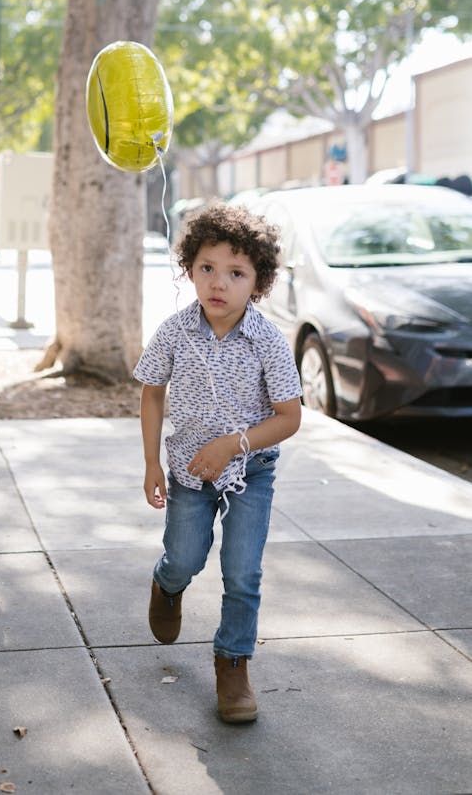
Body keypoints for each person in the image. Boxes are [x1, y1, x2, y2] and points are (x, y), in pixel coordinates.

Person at [134, 201, 302, 724]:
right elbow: (152, 393)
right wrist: (151, 464)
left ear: (259, 282)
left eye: (236, 273)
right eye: (207, 268)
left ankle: (233, 665)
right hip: (187, 470)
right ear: (189, 269)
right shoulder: (173, 332)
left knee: (242, 572)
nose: (219, 283)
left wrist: (234, 444)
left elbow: (289, 417)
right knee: (186, 556)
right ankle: (168, 583)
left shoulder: (268, 341)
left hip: (250, 473)